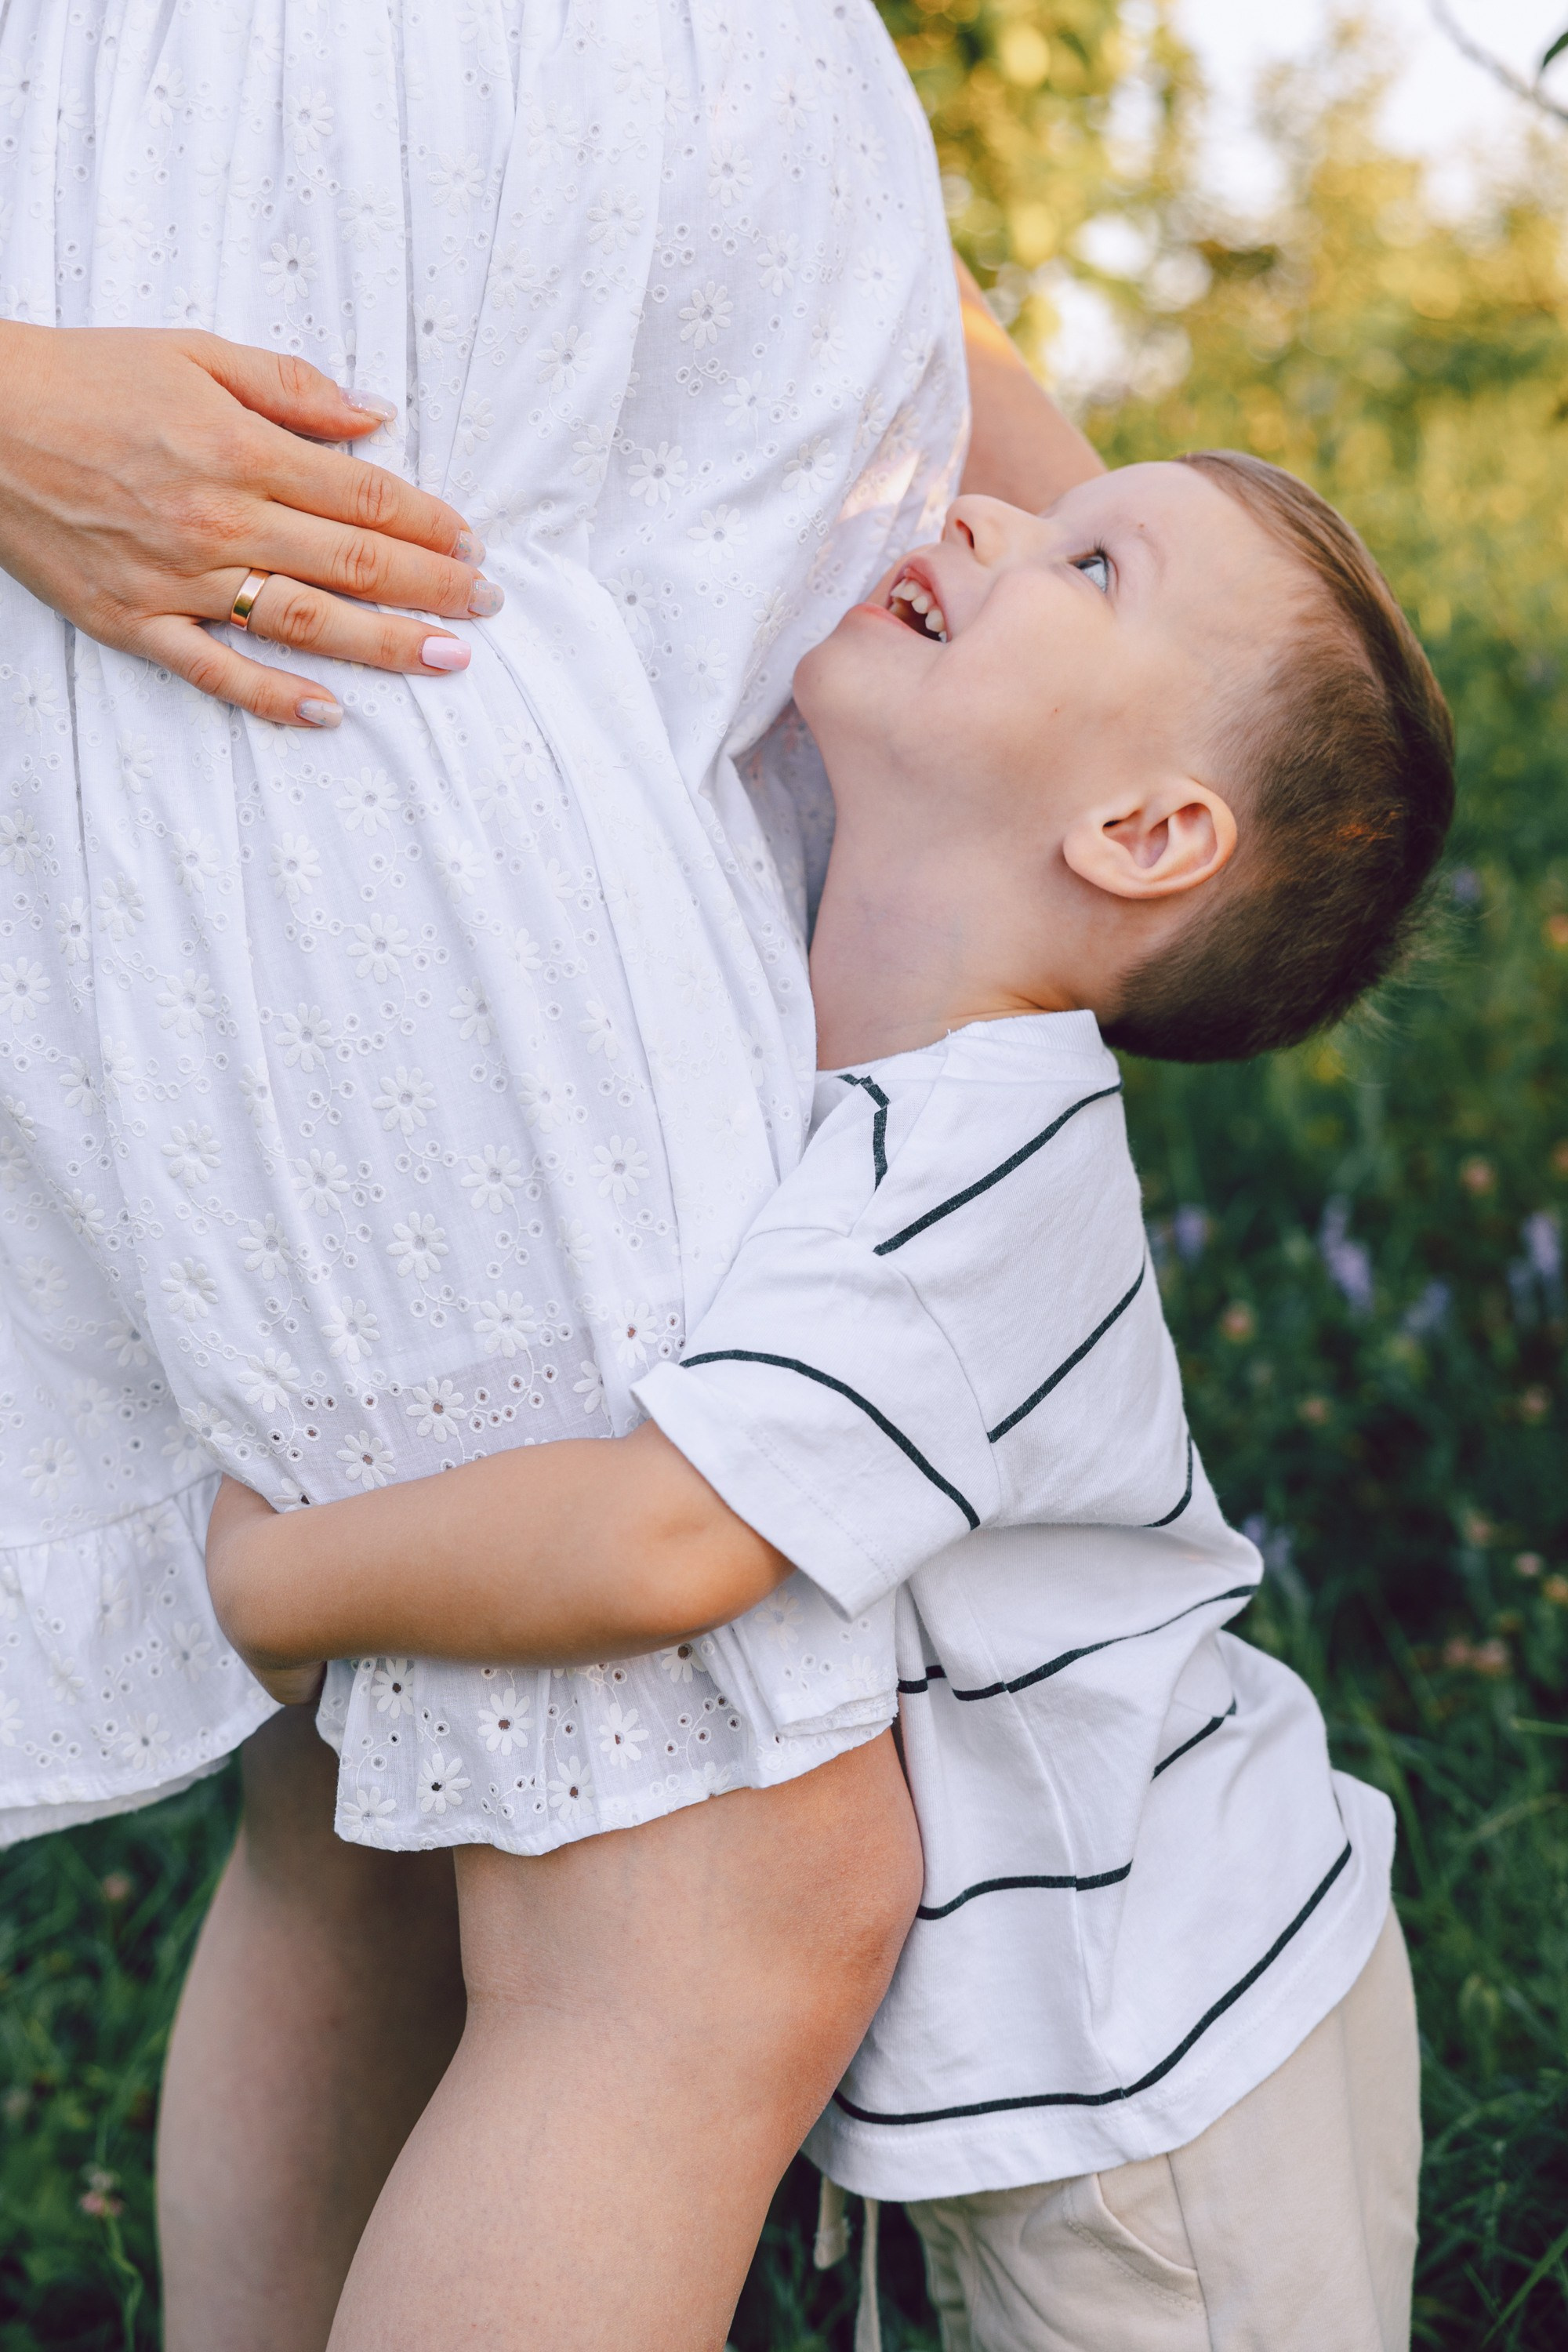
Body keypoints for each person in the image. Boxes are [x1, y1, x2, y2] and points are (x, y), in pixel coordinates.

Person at [0, 4, 1105, 2343]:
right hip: (324, 552)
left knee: (393, 1806)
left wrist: (1124, 553)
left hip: (662, 595)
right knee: (714, 1889)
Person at [209, 452, 1454, 2351]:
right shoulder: (856, 1073)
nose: (982, 518)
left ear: (1139, 833)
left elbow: (662, 1538)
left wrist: (273, 1582)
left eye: (1088, 564)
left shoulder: (963, 1182)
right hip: (1116, 2015)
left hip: (1173, 2059)